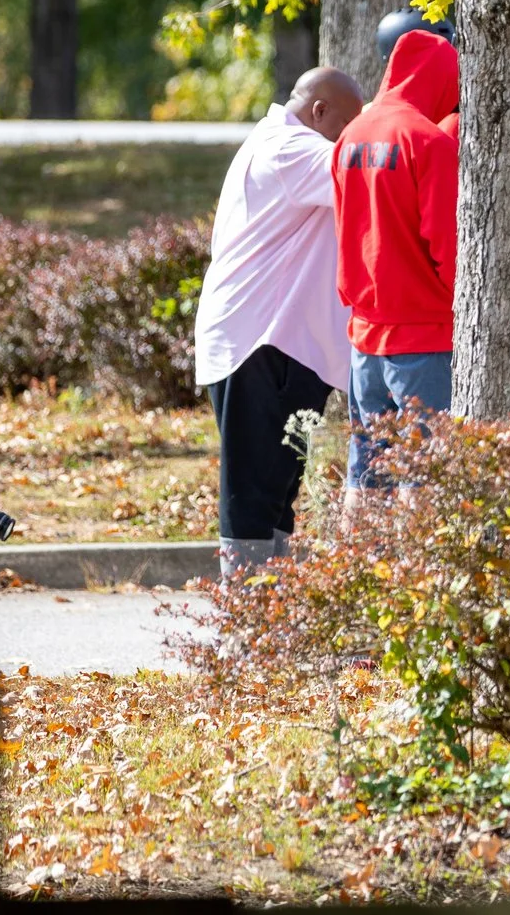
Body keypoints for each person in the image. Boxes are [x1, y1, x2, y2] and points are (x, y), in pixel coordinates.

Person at [193, 67, 365, 572]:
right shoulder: (288, 152)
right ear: (318, 112)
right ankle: (248, 615)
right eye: (349, 123)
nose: (352, 134)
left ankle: (267, 610)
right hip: (263, 345)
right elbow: (366, 170)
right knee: (253, 492)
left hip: (268, 343)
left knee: (274, 488)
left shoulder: (275, 145)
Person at [332, 28, 460, 487]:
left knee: (366, 475)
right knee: (423, 479)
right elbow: (449, 246)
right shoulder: (429, 142)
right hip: (423, 338)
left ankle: (356, 561)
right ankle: (416, 564)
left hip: (365, 338)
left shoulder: (350, 136)